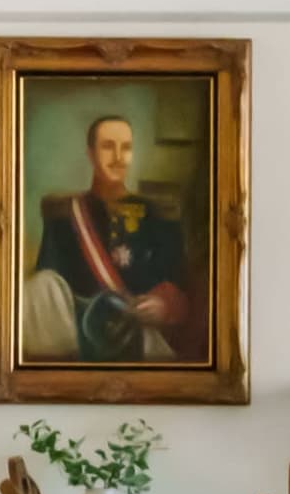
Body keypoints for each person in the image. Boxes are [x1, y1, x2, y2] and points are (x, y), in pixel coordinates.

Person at [24, 112, 198, 362]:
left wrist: (164, 307)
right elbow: (46, 292)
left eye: (126, 148)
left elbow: (181, 289)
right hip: (77, 340)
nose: (118, 157)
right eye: (108, 147)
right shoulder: (63, 216)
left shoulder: (158, 215)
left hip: (138, 339)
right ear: (91, 154)